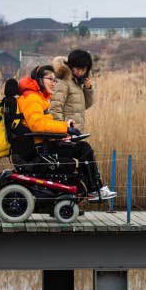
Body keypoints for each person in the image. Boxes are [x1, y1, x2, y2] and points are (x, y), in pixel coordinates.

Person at [17, 65, 116, 200]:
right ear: (39, 79)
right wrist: (65, 128)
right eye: (50, 79)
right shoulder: (32, 98)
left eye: (55, 80)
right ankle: (94, 189)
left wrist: (65, 127)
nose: (53, 83)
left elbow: (43, 123)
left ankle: (90, 189)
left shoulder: (38, 97)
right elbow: (37, 125)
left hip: (42, 144)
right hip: (39, 149)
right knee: (83, 149)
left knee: (80, 147)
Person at [51, 50, 94, 133]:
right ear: (71, 66)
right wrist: (62, 131)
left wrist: (87, 89)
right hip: (66, 134)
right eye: (77, 69)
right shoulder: (64, 82)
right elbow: (55, 108)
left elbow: (84, 106)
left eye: (83, 70)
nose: (80, 72)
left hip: (76, 132)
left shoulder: (77, 83)